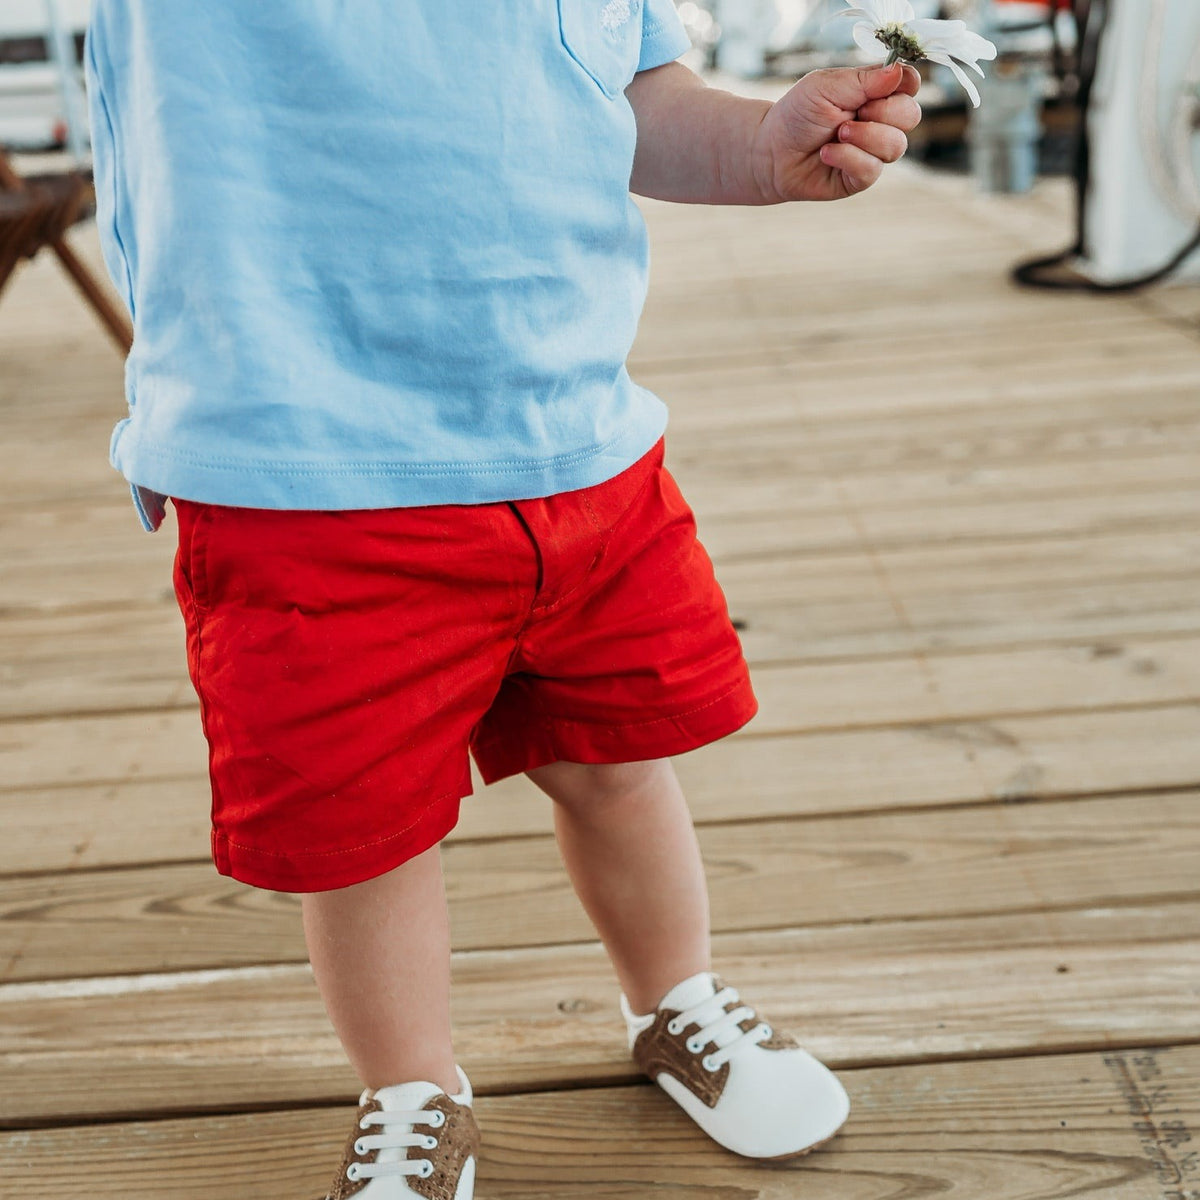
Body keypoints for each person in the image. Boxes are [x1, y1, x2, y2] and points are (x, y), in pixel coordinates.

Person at [83, 3, 921, 1196]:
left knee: (618, 764)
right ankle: (415, 1088)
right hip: (307, 480)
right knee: (365, 832)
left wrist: (756, 147)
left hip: (580, 448)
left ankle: (674, 999)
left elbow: (622, 104)